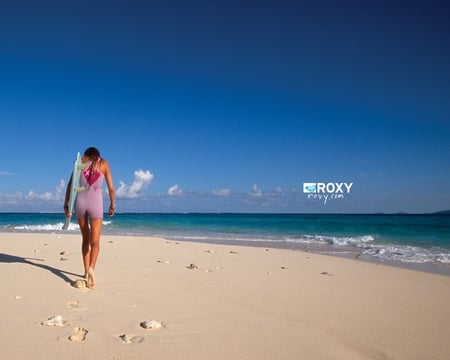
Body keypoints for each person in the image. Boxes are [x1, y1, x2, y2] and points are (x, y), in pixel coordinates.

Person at [64, 147, 115, 288]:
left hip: (80, 204)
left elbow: (70, 185)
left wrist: (66, 206)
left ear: (86, 154)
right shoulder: (104, 164)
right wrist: (112, 205)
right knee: (95, 242)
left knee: (85, 239)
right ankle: (92, 267)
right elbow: (111, 188)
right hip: (96, 205)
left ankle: (86, 271)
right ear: (98, 155)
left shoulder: (80, 162)